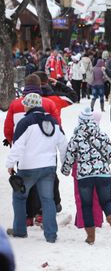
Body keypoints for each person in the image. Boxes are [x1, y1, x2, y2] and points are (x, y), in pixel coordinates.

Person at [5, 93, 68, 243]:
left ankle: (20, 230)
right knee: (48, 200)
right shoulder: (53, 122)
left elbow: (18, 145)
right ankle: (51, 235)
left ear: (28, 105)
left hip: (28, 168)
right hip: (48, 167)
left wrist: (10, 164)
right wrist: (64, 163)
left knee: (19, 196)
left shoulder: (25, 122)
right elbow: (63, 144)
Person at [61, 108, 111, 244]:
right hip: (103, 175)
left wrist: (65, 170)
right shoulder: (102, 134)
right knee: (106, 202)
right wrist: (103, 164)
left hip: (84, 177)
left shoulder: (76, 137)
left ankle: (90, 237)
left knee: (86, 205)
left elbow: (70, 157)